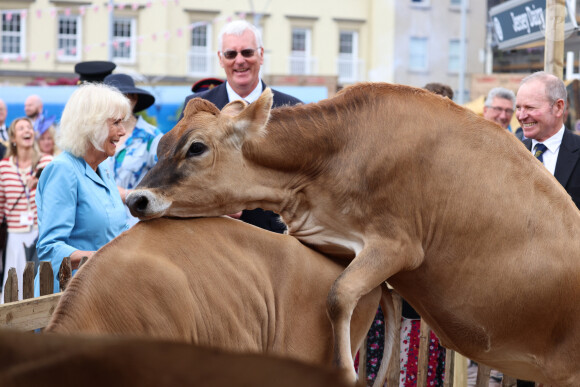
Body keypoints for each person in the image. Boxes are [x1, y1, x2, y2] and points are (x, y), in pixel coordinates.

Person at [179, 20, 302, 234]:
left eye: (247, 52)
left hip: (274, 239)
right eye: (231, 54)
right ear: (220, 58)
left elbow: (301, 180)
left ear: (261, 55)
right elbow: (181, 172)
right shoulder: (196, 109)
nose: (240, 61)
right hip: (213, 234)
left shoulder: (293, 110)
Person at [34, 83, 130, 295]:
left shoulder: (102, 167)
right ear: (91, 125)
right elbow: (50, 249)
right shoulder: (63, 170)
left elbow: (117, 229)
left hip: (104, 290)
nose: (122, 131)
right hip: (70, 299)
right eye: (116, 123)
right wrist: (101, 258)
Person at [0, 117, 52, 302]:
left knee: (38, 287)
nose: (27, 130)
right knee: (14, 290)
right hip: (15, 236)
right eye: (21, 128)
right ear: (13, 138)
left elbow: (57, 195)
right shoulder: (4, 167)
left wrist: (42, 184)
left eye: (29, 127)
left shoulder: (46, 162)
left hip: (40, 233)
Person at [103, 73, 162, 226]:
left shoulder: (152, 138)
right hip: (98, 228)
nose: (113, 105)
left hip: (135, 228)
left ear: (133, 99)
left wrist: (126, 195)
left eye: (119, 98)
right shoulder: (96, 136)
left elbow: (165, 187)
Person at [517, 71, 580, 211]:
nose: (521, 116)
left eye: (530, 107)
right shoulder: (511, 151)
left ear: (558, 107)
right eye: (518, 107)